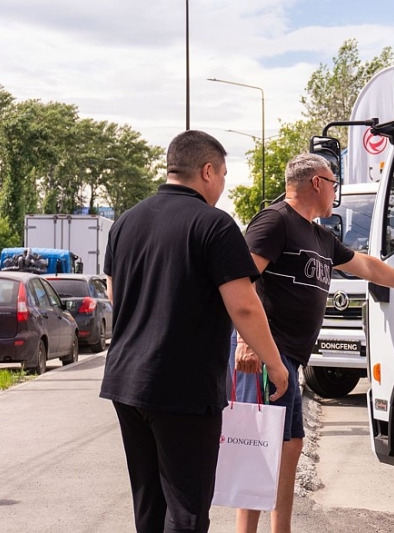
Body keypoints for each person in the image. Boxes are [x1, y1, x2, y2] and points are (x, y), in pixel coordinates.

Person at [232, 153, 394, 533]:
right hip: (268, 352)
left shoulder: (320, 236)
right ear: (316, 183)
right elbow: (241, 280)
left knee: (289, 447)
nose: (336, 192)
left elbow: (367, 266)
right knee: (258, 448)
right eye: (333, 183)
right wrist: (248, 342)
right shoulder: (275, 220)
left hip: (290, 359)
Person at [100, 130, 289, 533]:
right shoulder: (215, 225)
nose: (222, 185)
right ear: (207, 171)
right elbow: (243, 304)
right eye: (223, 174)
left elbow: (117, 299)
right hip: (182, 388)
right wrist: (275, 364)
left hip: (126, 383)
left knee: (149, 505)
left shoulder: (124, 223)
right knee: (186, 510)